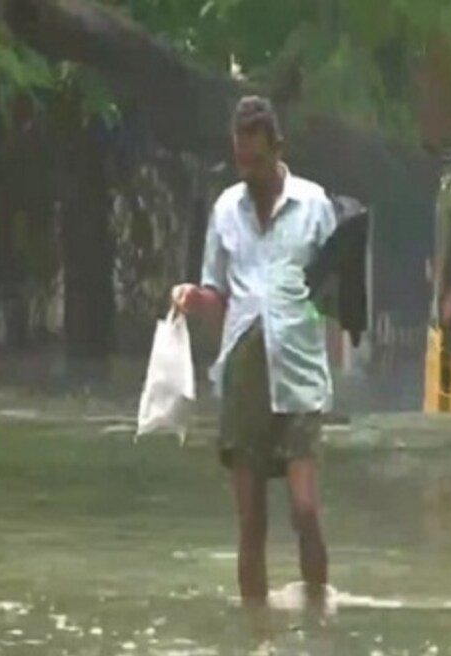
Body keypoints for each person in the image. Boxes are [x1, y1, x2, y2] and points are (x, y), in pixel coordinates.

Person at [172, 95, 336, 608]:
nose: (250, 172)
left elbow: (334, 292)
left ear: (277, 149)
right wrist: (193, 298)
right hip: (243, 370)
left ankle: (317, 611)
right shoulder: (226, 210)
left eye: (258, 162)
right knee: (251, 523)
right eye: (241, 162)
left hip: (300, 372)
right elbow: (216, 290)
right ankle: (255, 633)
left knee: (305, 509)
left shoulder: (314, 205)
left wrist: (335, 368)